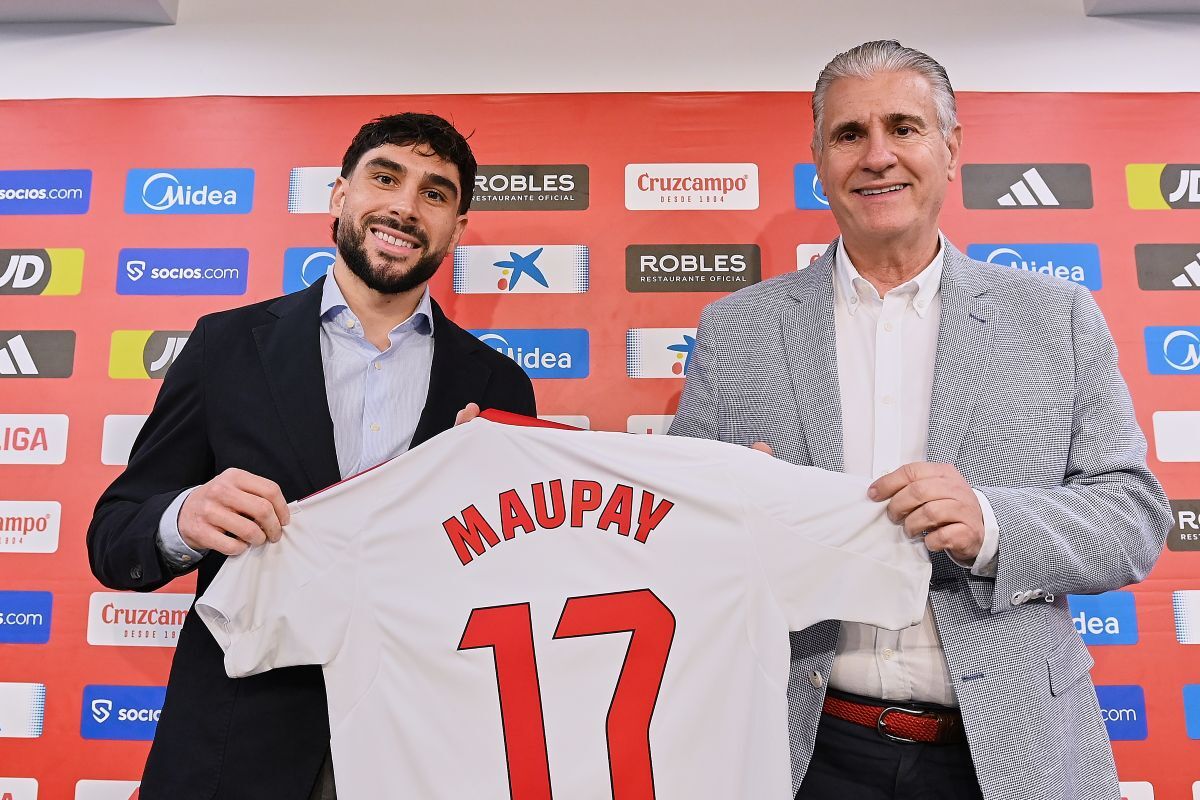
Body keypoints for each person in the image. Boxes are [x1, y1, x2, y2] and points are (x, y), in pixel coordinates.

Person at [669, 40, 1171, 800]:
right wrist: (734, 518)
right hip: (798, 747)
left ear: (951, 147)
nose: (878, 156)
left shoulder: (1056, 318)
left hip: (1006, 753)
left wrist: (991, 524)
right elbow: (677, 532)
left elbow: (1133, 520)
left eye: (904, 128)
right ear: (819, 160)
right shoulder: (739, 329)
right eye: (849, 134)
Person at [87, 112, 536, 800]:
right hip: (238, 752)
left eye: (434, 193)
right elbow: (114, 538)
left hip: (419, 750)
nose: (405, 207)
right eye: (384, 178)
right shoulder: (226, 347)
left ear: (457, 229)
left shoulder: (499, 386)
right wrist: (185, 518)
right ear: (340, 195)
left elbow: (518, 585)